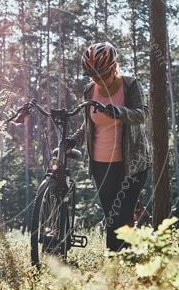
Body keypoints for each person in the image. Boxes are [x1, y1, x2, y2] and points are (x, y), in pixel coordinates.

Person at [65, 42, 151, 253]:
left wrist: (117, 111)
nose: (99, 80)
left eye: (102, 74)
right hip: (101, 165)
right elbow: (89, 122)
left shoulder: (131, 85)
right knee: (111, 217)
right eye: (93, 76)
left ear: (114, 67)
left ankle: (120, 263)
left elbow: (142, 114)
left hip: (131, 163)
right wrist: (73, 140)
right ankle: (122, 261)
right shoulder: (89, 90)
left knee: (122, 218)